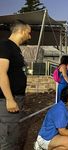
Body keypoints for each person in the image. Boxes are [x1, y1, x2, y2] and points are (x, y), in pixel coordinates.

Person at [0, 20, 31, 149]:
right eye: (29, 33)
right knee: (8, 139)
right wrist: (9, 99)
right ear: (22, 31)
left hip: (15, 98)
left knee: (11, 135)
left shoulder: (15, 49)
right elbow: (1, 72)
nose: (30, 36)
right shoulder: (6, 45)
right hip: (7, 100)